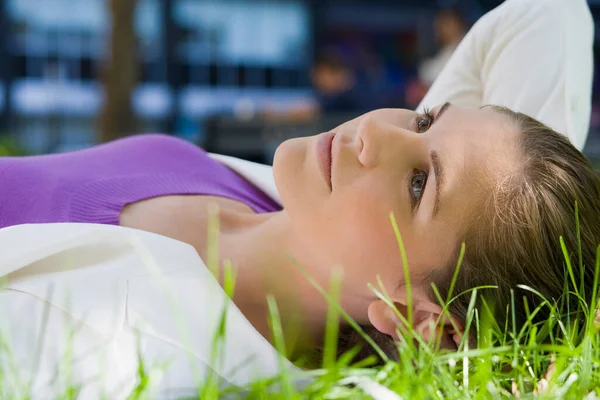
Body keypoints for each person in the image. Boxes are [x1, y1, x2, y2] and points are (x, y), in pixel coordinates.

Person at [0, 0, 596, 395]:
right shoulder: (296, 204)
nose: (372, 134)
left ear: (423, 323)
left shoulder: (142, 362)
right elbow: (544, 16)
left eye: (419, 183)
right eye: (423, 120)